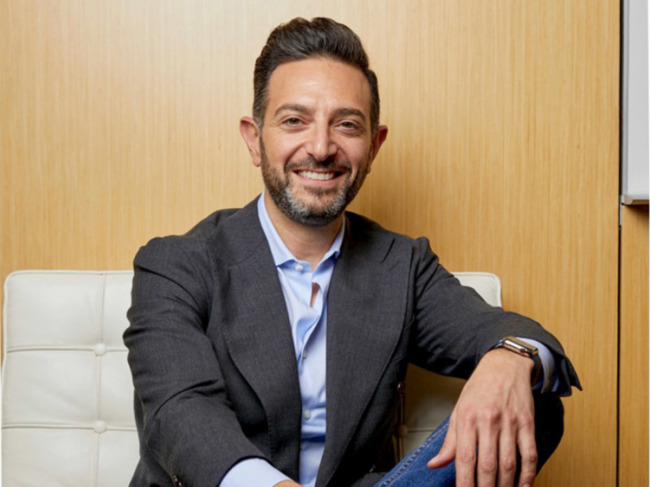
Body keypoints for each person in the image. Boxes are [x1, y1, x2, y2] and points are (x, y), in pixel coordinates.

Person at [124, 17, 580, 487]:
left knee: (534, 403)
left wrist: (509, 358)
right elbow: (180, 411)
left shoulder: (402, 267)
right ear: (254, 138)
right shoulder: (175, 265)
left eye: (346, 124)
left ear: (374, 146)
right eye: (294, 121)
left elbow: (508, 332)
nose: (321, 147)